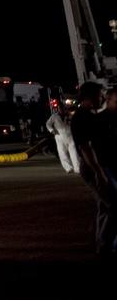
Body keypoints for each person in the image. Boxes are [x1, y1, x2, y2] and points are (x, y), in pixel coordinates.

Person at [69, 82, 116, 258]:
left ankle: (100, 242)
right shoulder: (82, 117)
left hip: (96, 166)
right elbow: (86, 148)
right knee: (112, 205)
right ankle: (104, 246)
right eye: (100, 95)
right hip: (92, 167)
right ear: (90, 97)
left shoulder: (88, 115)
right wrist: (99, 172)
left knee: (104, 206)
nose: (102, 98)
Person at [46, 105, 79, 174]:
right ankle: (68, 168)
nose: (62, 110)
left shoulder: (69, 115)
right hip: (59, 137)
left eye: (64, 109)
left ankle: (77, 168)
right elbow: (48, 124)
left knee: (74, 152)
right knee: (62, 153)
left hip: (70, 136)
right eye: (60, 109)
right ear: (58, 109)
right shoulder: (54, 116)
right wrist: (52, 130)